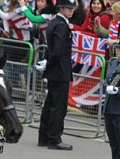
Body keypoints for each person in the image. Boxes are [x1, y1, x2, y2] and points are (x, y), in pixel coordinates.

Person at [35, 0, 75, 150]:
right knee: (58, 107)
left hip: (54, 70)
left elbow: (52, 48)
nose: (72, 11)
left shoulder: (54, 23)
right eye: (69, 8)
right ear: (61, 8)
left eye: (72, 8)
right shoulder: (61, 25)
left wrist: (47, 63)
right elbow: (58, 50)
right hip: (60, 70)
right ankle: (54, 139)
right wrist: (49, 63)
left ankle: (44, 137)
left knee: (49, 104)